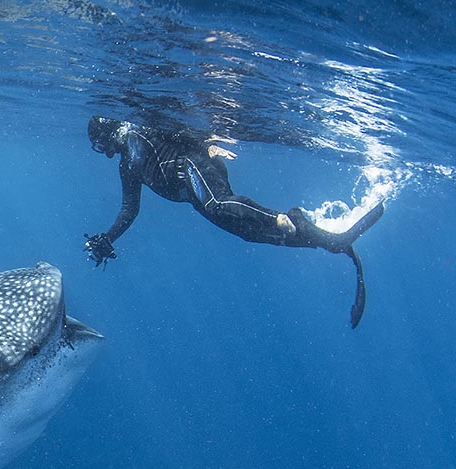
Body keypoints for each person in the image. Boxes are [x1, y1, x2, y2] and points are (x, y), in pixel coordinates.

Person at [83, 116, 385, 328]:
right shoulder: (127, 166)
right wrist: (108, 237)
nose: (103, 150)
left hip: (194, 166)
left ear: (109, 133)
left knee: (218, 205)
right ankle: (326, 239)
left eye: (99, 144)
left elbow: (176, 131)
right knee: (247, 234)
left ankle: (281, 218)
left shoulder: (142, 131)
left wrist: (208, 145)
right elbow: (128, 210)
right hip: (191, 192)